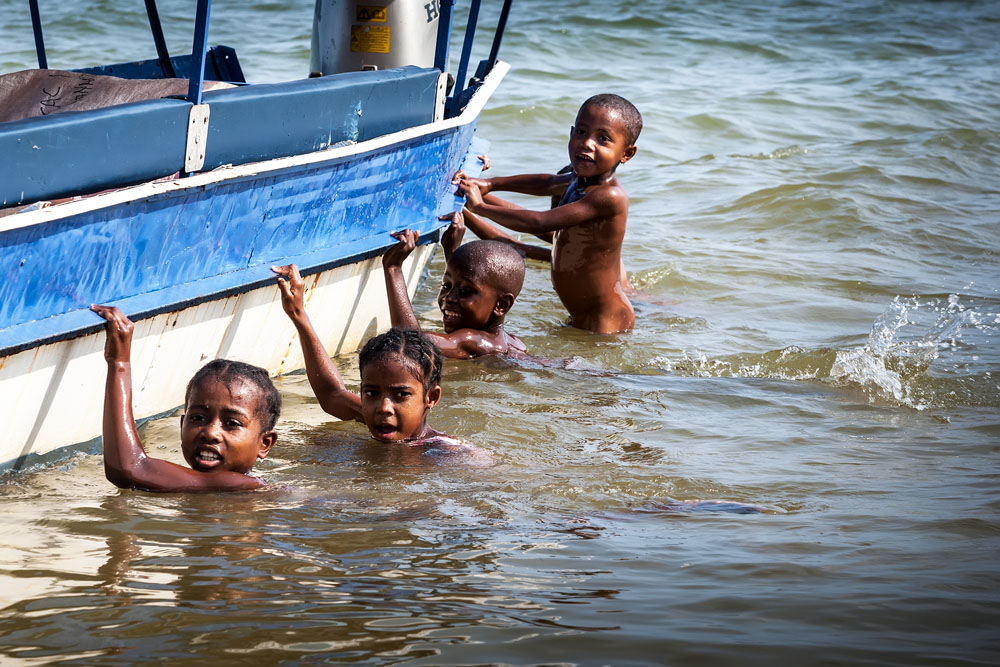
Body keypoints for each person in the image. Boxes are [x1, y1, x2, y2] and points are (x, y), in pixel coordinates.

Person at [454, 93, 642, 334]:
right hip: (581, 313)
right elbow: (546, 183)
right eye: (581, 132)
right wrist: (488, 184)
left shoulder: (609, 196)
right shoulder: (578, 180)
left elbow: (538, 222)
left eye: (603, 138)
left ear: (626, 154)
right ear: (571, 132)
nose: (587, 143)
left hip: (605, 322)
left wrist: (480, 208)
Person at [91, 305, 280, 492]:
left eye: (232, 423)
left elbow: (130, 469)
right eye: (198, 418)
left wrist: (119, 362)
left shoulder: (243, 485)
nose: (211, 433)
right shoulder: (212, 489)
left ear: (265, 444)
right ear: (182, 425)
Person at [272, 264, 463, 450]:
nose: (384, 408)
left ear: (431, 397)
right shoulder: (376, 415)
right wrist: (298, 314)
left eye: (401, 395)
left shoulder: (446, 454)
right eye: (371, 393)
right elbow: (332, 394)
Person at [381, 214, 527, 360]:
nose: (449, 298)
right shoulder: (515, 343)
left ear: (502, 305)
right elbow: (469, 278)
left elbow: (412, 344)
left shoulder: (475, 342)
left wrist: (393, 268)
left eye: (464, 291)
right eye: (446, 286)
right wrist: (451, 251)